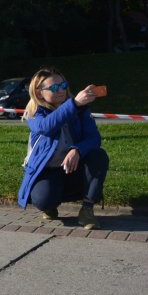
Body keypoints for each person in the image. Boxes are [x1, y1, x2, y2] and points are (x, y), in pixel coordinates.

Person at [17, 68, 109, 230]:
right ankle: (50, 206)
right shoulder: (35, 112)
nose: (61, 90)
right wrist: (73, 104)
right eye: (53, 88)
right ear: (39, 93)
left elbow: (94, 138)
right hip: (49, 170)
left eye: (63, 85)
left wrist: (77, 150)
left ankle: (87, 210)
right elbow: (46, 127)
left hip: (73, 168)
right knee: (43, 201)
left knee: (98, 155)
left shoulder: (81, 110)